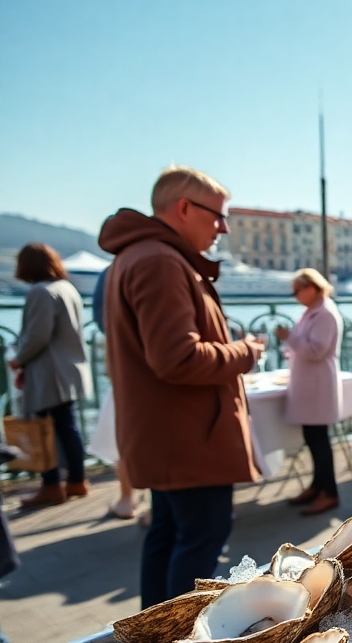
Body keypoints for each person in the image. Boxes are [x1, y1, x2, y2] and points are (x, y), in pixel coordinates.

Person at [100, 166, 266, 608]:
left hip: (170, 435)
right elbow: (178, 358)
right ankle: (179, 637)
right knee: (201, 536)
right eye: (217, 215)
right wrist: (245, 351)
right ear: (184, 208)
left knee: (169, 532)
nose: (223, 228)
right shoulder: (160, 261)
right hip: (189, 439)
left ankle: (154, 631)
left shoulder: (142, 256)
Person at [9, 244, 93, 508]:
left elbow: (38, 335)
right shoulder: (67, 288)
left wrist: (18, 359)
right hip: (70, 368)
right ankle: (77, 480)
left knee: (43, 430)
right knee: (67, 427)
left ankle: (51, 484)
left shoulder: (41, 292)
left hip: (49, 371)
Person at [276, 268, 343, 516]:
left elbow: (316, 350)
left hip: (317, 386)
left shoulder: (324, 313)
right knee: (314, 439)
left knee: (319, 440)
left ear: (311, 288)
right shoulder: (313, 311)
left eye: (297, 291)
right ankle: (318, 486)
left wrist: (288, 337)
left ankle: (329, 492)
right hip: (311, 385)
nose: (295, 296)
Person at [90, 266, 139, 520]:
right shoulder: (170, 261)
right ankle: (154, 505)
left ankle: (127, 498)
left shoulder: (113, 271)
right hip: (153, 370)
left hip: (126, 368)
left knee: (125, 434)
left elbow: (103, 321)